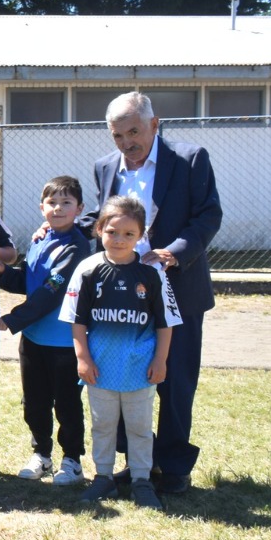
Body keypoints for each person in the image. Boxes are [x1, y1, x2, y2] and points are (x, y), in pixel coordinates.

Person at [85, 91, 221, 495]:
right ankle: (136, 463)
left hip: (178, 289)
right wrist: (58, 227)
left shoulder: (190, 158)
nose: (127, 142)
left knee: (176, 380)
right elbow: (99, 220)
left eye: (134, 131)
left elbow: (208, 215)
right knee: (125, 377)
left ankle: (174, 465)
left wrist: (173, 255)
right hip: (120, 296)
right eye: (118, 135)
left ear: (154, 124)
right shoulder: (104, 167)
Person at [60, 196, 179, 511]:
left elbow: (166, 323)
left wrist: (160, 359)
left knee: (140, 427)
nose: (119, 240)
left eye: (129, 234)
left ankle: (141, 479)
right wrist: (83, 358)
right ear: (99, 230)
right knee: (102, 424)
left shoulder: (151, 273)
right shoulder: (88, 269)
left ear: (141, 236)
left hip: (140, 367)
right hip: (100, 367)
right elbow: (77, 319)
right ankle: (103, 477)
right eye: (112, 232)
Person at [0, 175, 91, 486]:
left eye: (66, 202)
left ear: (80, 208)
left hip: (64, 342)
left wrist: (12, 319)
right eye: (52, 202)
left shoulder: (77, 246)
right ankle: (42, 455)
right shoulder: (40, 239)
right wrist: (1, 272)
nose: (59, 208)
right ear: (41, 207)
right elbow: (28, 280)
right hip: (33, 339)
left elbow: (53, 291)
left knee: (66, 403)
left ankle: (72, 460)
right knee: (34, 401)